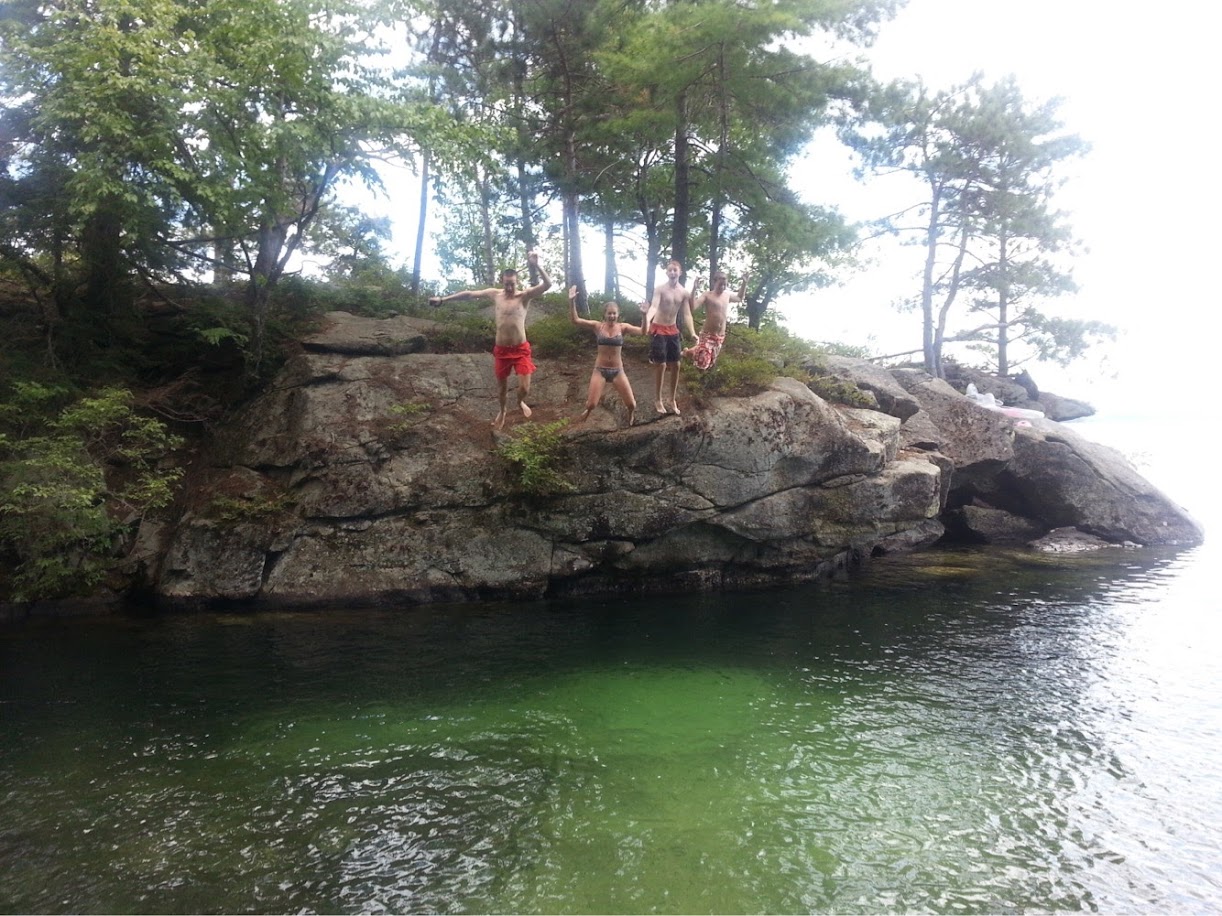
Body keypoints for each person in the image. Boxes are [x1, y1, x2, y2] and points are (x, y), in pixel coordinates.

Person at [429, 251, 551, 429]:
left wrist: (537, 264)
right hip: (501, 351)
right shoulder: (495, 294)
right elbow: (469, 294)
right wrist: (443, 299)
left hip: (520, 350)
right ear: (502, 281)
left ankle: (520, 402)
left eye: (513, 284)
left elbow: (548, 285)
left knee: (525, 388)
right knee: (501, 389)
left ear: (517, 282)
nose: (510, 287)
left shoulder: (524, 296)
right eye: (507, 283)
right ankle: (502, 411)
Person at [567, 285, 645, 427]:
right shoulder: (598, 326)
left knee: (632, 404)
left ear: (618, 314)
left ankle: (631, 414)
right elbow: (576, 320)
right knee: (591, 404)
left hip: (618, 371)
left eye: (614, 313)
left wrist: (644, 316)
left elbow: (643, 331)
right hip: (600, 370)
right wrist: (572, 301)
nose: (612, 316)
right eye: (609, 313)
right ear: (604, 314)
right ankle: (588, 412)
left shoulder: (623, 328)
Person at [644, 259, 696, 415]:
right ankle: (658, 399)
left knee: (677, 365)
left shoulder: (684, 292)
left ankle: (672, 399)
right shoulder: (660, 289)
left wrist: (692, 332)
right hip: (658, 329)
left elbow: (687, 314)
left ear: (680, 273)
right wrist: (647, 320)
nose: (673, 272)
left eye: (675, 270)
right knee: (661, 365)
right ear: (667, 272)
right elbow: (654, 306)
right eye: (670, 270)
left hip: (673, 330)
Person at [684, 269, 747, 370]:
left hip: (720, 336)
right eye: (720, 284)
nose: (722, 287)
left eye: (724, 285)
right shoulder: (707, 295)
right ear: (714, 282)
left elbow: (739, 298)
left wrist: (744, 283)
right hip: (707, 334)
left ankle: (689, 351)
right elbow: (693, 307)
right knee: (703, 364)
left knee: (711, 362)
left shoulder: (727, 295)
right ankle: (692, 357)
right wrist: (694, 289)